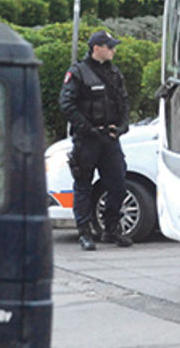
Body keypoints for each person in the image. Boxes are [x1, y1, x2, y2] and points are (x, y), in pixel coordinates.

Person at [59, 30, 132, 251]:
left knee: (118, 185)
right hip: (87, 139)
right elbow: (67, 105)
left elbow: (124, 103)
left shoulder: (114, 73)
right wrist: (88, 129)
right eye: (109, 47)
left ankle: (110, 229)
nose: (113, 50)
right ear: (96, 48)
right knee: (83, 186)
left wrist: (120, 128)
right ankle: (85, 233)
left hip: (109, 138)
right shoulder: (78, 73)